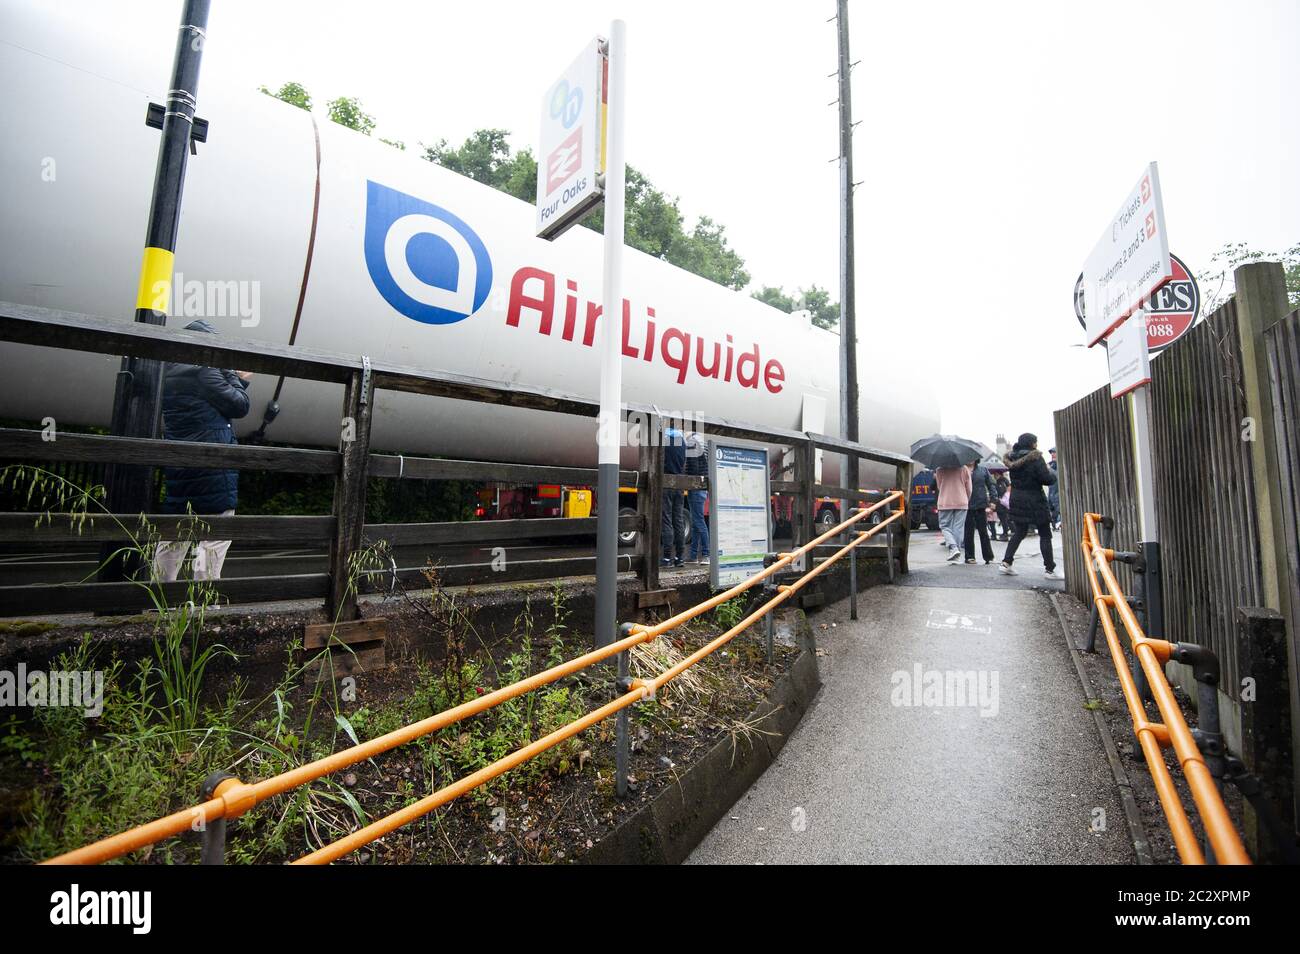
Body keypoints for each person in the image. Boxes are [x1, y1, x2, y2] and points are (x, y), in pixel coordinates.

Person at [153, 319, 252, 582]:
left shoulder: (169, 371)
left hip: (180, 462)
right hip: (213, 462)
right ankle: (203, 603)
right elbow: (240, 406)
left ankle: (156, 600)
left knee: (175, 532)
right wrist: (237, 376)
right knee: (217, 532)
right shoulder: (205, 370)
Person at [999, 432, 1063, 580]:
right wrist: (1051, 473)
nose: (1037, 444)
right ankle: (1050, 569)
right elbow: (1046, 479)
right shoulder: (1036, 458)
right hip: (1035, 501)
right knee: (1045, 534)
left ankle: (1006, 563)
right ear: (1031, 443)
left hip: (1017, 499)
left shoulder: (1012, 459)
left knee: (1019, 532)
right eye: (1036, 442)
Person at [660, 426, 688, 568]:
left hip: (667, 482)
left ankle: (666, 558)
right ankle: (680, 558)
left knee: (666, 520)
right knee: (678, 520)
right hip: (679, 483)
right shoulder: (682, 441)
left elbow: (659, 461)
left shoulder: (664, 439)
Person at [933, 462, 971, 563]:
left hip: (945, 501)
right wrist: (966, 499)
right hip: (962, 500)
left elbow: (939, 486)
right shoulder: (964, 468)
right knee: (958, 527)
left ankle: (953, 548)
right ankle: (956, 552)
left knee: (945, 526)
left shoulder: (939, 469)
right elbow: (969, 488)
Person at [963, 459, 997, 565]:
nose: (971, 459)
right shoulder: (961, 470)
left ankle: (988, 557)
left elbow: (991, 485)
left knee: (984, 532)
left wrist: (993, 500)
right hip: (966, 505)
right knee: (968, 532)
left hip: (980, 504)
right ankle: (969, 557)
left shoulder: (983, 470)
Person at [684, 431, 710, 564]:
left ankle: (706, 554)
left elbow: (693, 466)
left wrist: (684, 477)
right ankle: (693, 556)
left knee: (699, 521)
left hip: (695, 486)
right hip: (702, 487)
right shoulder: (702, 442)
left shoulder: (691, 442)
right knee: (695, 523)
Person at [994, 473, 1012, 540]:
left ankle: (1005, 533)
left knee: (1003, 519)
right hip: (1005, 504)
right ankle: (1006, 532)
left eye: (996, 475)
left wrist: (998, 497)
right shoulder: (1005, 481)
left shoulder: (1000, 483)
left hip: (1001, 504)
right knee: (1005, 519)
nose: (995, 476)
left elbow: (1001, 492)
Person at [1048, 447, 1061, 531]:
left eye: (1054, 452)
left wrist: (1049, 469)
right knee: (1052, 509)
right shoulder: (1051, 464)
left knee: (1058, 509)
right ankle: (1054, 524)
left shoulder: (1058, 464)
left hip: (1058, 491)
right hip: (1051, 491)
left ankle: (1058, 524)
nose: (1052, 454)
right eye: (1051, 453)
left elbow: (1057, 475)